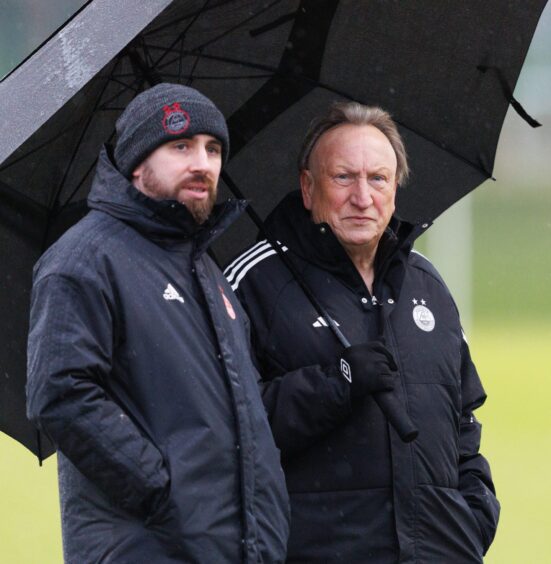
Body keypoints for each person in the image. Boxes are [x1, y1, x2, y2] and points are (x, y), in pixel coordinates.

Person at [225, 101, 500, 563]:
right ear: (308, 188)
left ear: (395, 189)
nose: (363, 196)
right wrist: (337, 383)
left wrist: (473, 515)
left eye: (378, 178)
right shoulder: (251, 283)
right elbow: (226, 429)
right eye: (343, 177)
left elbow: (463, 420)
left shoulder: (428, 285)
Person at [26, 83, 289, 563]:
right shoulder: (82, 259)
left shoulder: (207, 269)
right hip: (149, 547)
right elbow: (61, 393)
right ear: (136, 164)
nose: (202, 163)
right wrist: (162, 491)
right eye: (181, 146)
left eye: (213, 149)